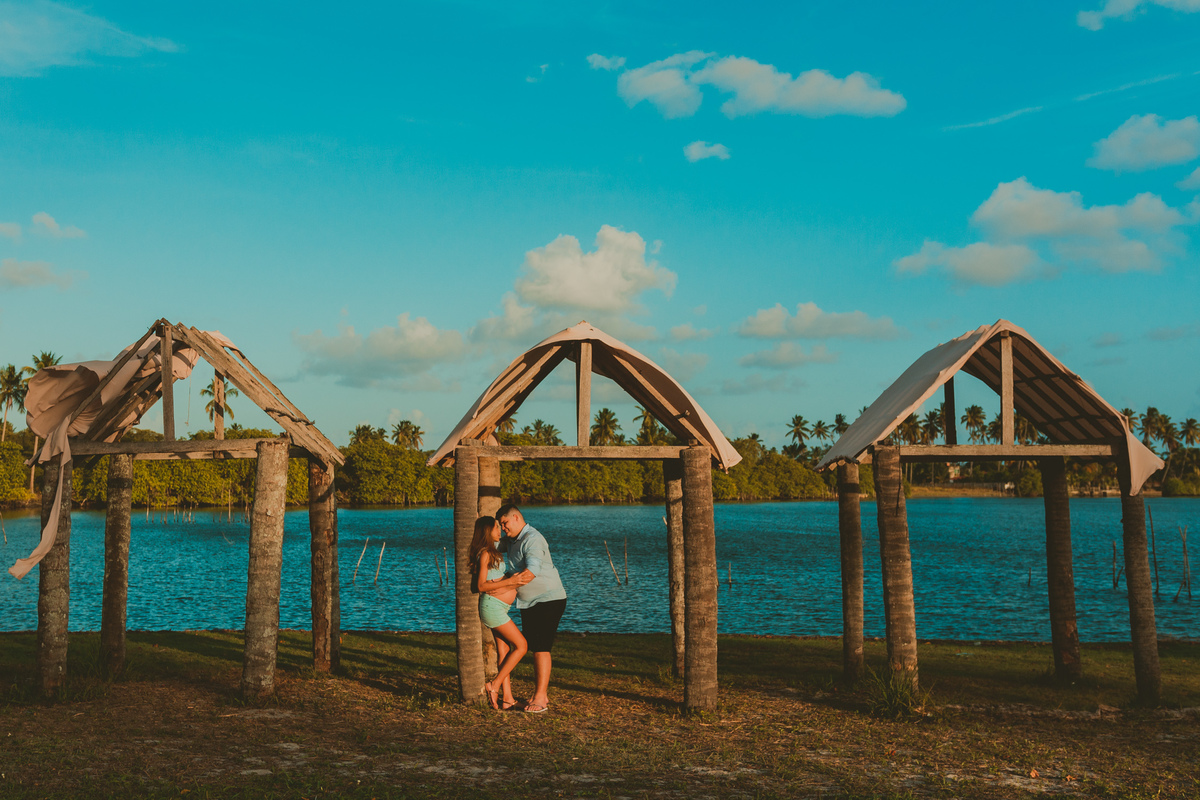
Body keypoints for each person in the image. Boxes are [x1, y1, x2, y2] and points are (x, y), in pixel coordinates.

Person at [497, 503, 566, 714]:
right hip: (528, 601)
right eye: (500, 525)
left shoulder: (532, 539)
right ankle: (537, 694)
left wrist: (502, 586)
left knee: (541, 647)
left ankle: (541, 698)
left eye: (505, 523)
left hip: (548, 599)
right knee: (533, 645)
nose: (503, 528)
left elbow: (530, 573)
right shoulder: (511, 540)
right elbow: (490, 543)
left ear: (517, 518)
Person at [469, 515, 532, 710]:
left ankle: (508, 700)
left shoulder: (493, 552)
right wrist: (510, 583)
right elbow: (480, 585)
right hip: (492, 608)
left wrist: (505, 580)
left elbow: (493, 578)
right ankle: (494, 685)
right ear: (488, 532)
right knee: (522, 646)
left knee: (503, 651)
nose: (500, 531)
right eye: (497, 527)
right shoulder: (486, 554)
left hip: (500, 607)